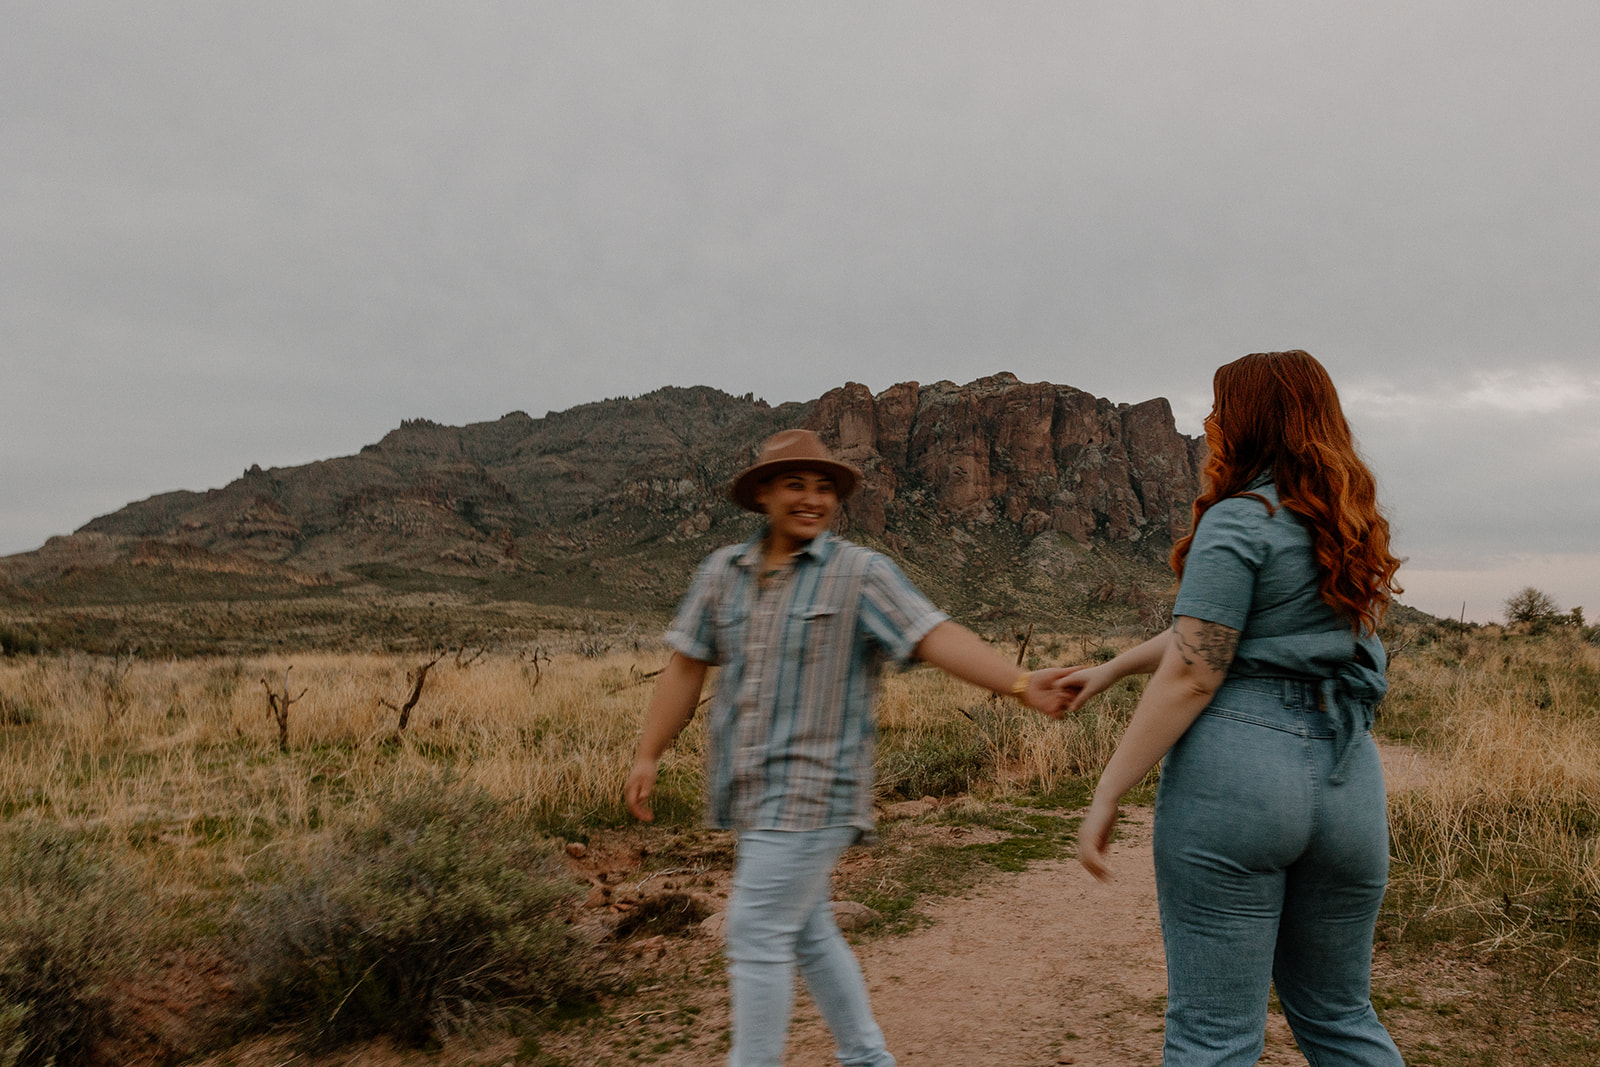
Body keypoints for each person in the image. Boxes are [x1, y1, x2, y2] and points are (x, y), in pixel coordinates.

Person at [624, 428, 1073, 1067]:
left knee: (755, 933)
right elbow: (686, 666)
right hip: (751, 791)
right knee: (808, 931)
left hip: (817, 789)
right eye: (796, 485)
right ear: (764, 494)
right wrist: (648, 754)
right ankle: (868, 1058)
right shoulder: (723, 574)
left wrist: (1022, 683)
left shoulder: (859, 574)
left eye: (824, 488)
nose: (812, 499)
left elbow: (931, 635)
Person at [1067, 351, 1405, 1066]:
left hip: (1240, 776)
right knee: (1342, 1015)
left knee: (1214, 1036)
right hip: (1349, 781)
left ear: (1249, 420)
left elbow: (1196, 667)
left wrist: (1107, 789)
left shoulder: (1237, 518)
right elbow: (1215, 631)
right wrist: (1107, 670)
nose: (1210, 421)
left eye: (1221, 407)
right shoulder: (1341, 529)